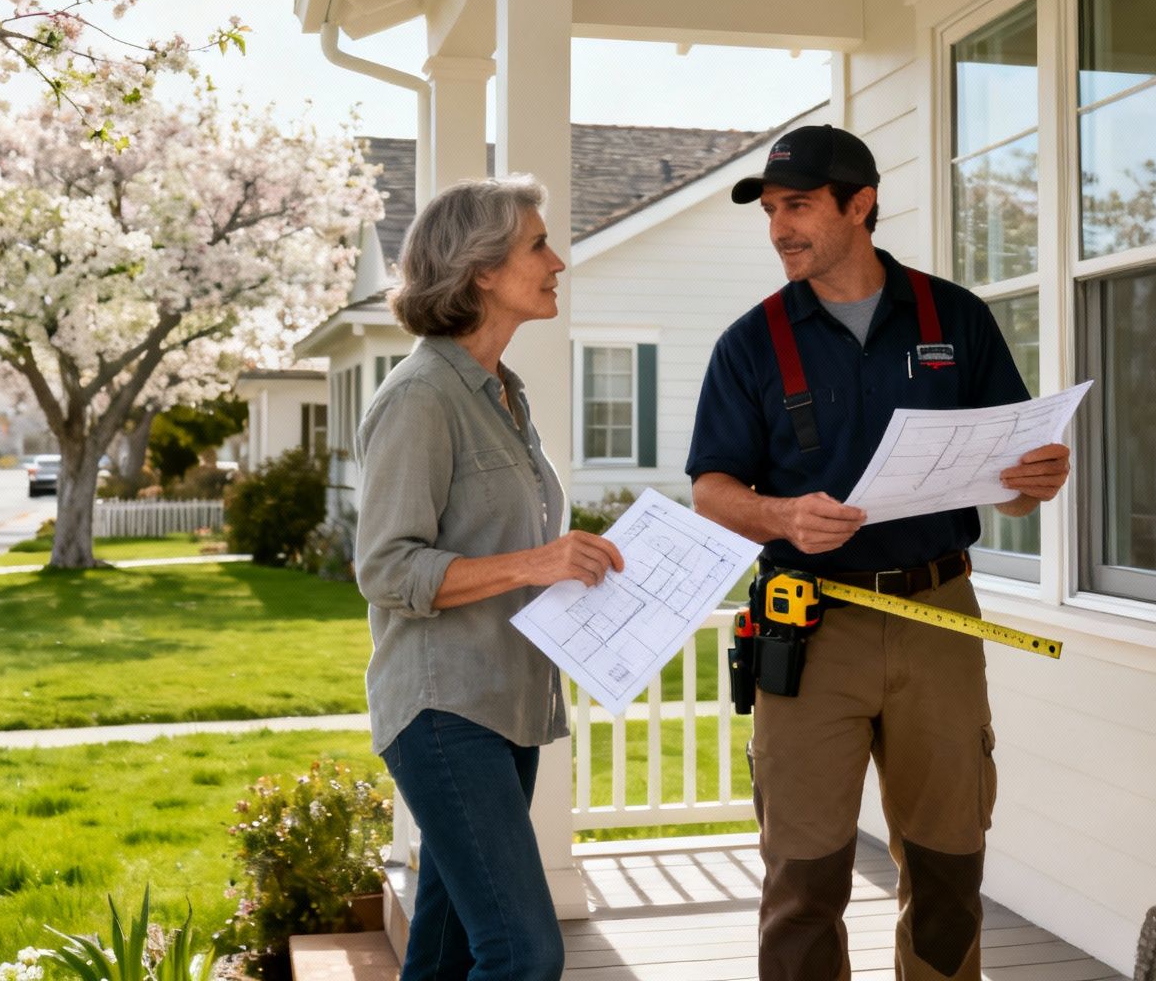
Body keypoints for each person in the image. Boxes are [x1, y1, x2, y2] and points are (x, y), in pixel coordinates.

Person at [686, 125, 1071, 981]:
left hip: (938, 614)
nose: (781, 227)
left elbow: (1005, 480)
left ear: (860, 205)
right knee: (803, 879)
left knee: (947, 869)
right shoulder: (750, 344)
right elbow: (711, 491)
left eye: (800, 206)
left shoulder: (954, 319)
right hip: (809, 626)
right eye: (773, 211)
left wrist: (1031, 478)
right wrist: (782, 516)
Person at [355, 175, 626, 981]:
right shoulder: (420, 398)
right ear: (480, 270)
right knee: (524, 953)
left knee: (442, 953)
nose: (558, 260)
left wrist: (576, 568)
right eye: (537, 244)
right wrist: (540, 561)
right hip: (445, 711)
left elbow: (508, 548)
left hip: (506, 705)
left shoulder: (504, 394)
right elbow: (385, 567)